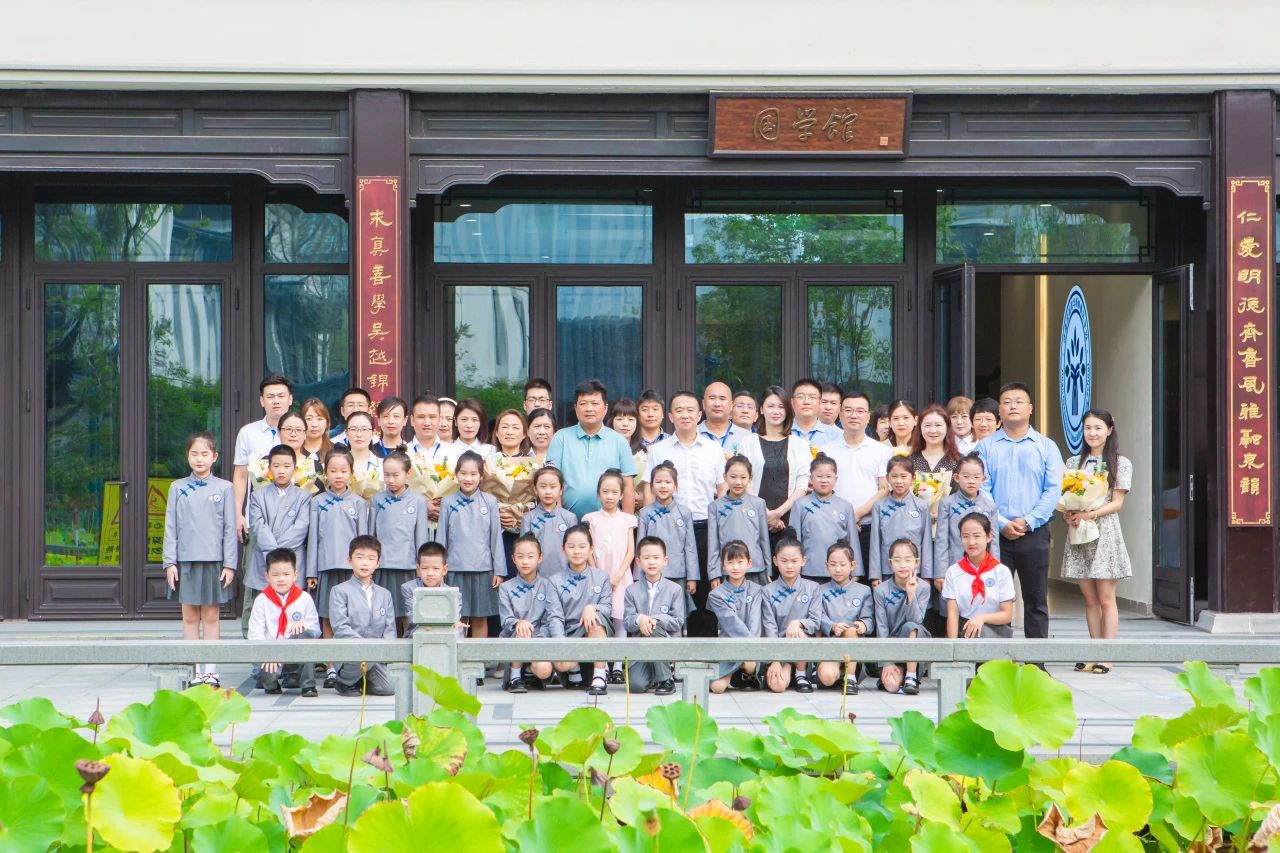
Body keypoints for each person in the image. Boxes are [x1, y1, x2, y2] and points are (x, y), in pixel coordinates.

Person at [975, 381, 1064, 640]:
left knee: (1036, 600)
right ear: (999, 410)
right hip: (995, 534)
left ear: (1030, 408)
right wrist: (1002, 522)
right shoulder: (985, 447)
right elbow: (981, 489)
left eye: (1018, 401)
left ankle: (1036, 659)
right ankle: (994, 658)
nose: (1012, 406)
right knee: (992, 599)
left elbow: (1053, 489)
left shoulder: (1046, 446)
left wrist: (1028, 521)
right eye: (1006, 402)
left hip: (1034, 532)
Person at [643, 390, 727, 637]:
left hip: (704, 527)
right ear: (670, 416)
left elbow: (722, 488)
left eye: (690, 410)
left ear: (699, 415)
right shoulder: (658, 450)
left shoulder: (713, 449)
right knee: (668, 590)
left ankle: (704, 652)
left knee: (704, 592)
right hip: (668, 527)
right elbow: (649, 488)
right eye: (679, 410)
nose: (685, 415)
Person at [163, 432, 238, 687]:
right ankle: (195, 671)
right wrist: (169, 562)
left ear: (214, 457)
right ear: (187, 456)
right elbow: (170, 526)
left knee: (211, 617)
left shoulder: (225, 487)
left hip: (214, 562)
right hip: (185, 562)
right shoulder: (177, 487)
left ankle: (211, 672)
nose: (199, 459)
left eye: (204, 454)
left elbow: (230, 528)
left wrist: (230, 564)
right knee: (189, 617)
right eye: (194, 454)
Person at [1061, 409, 1132, 674]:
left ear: (1109, 430)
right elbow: (1068, 497)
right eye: (1088, 428)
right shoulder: (1073, 463)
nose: (1092, 433)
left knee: (1106, 598)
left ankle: (1107, 656)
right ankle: (1093, 652)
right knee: (1089, 599)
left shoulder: (1120, 463)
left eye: (1098, 428)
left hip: (1105, 532)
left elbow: (1117, 503)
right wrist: (1070, 514)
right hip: (1080, 533)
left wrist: (1090, 514)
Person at [306, 447, 369, 689]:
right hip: (326, 567)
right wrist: (312, 572)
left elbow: (363, 540)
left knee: (353, 616)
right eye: (333, 471)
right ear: (326, 473)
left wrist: (363, 568)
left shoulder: (359, 503)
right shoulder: (317, 502)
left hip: (352, 570)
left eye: (343, 471)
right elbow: (313, 539)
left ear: (351, 472)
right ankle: (331, 666)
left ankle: (352, 664)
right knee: (327, 616)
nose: (338, 475)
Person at [819, 391, 892, 573]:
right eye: (848, 410)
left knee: (867, 579)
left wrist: (857, 514)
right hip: (834, 526)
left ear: (868, 417)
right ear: (840, 414)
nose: (854, 415)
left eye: (860, 411)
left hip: (869, 528)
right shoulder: (826, 451)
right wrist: (845, 517)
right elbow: (822, 489)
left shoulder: (881, 451)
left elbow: (884, 489)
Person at [244, 444, 312, 637]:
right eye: (276, 466)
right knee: (259, 611)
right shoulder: (258, 496)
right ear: (269, 469)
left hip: (293, 560)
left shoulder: (304, 497)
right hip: (263, 559)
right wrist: (274, 553)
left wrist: (280, 555)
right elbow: (258, 526)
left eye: (286, 466)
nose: (281, 471)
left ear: (295, 468)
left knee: (294, 611)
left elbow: (301, 527)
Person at [546, 379, 637, 518]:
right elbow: (552, 480)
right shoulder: (561, 438)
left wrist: (627, 524)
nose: (589, 409)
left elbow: (628, 486)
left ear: (605, 408)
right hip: (568, 522)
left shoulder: (619, 441)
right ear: (576, 408)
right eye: (583, 404)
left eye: (595, 403)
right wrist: (557, 520)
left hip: (610, 522)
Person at [440, 451, 504, 642]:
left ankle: (478, 659)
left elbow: (496, 538)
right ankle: (457, 657)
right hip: (455, 568)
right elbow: (442, 537)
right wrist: (440, 568)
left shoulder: (490, 501)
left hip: (483, 569)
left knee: (480, 618)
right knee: (457, 617)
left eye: (473, 474)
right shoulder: (448, 502)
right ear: (456, 474)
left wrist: (499, 570)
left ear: (481, 476)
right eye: (463, 473)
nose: (468, 478)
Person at [738, 385, 812, 552]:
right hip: (754, 517)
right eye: (770, 406)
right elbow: (743, 480)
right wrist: (765, 513)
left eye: (781, 407)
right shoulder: (748, 442)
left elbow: (802, 485)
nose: (776, 411)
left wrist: (777, 513)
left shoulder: (800, 444)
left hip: (789, 518)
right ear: (761, 410)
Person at [583, 468, 638, 684]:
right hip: (598, 575)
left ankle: (617, 665)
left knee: (620, 618)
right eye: (605, 491)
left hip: (621, 575)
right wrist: (599, 575)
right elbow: (589, 549)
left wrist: (618, 575)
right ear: (598, 493)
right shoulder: (591, 519)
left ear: (622, 494)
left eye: (615, 492)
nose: (610, 496)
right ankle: (603, 665)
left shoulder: (628, 519)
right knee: (601, 618)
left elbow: (631, 551)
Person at [329, 534, 397, 697]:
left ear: (378, 563)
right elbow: (340, 627)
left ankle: (359, 680)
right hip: (350, 653)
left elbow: (390, 629)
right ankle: (344, 681)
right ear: (349, 560)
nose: (365, 563)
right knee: (367, 654)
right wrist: (366, 646)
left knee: (389, 688)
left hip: (375, 655)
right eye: (359, 557)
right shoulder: (339, 591)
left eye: (371, 558)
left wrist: (384, 651)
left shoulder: (385, 594)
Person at [370, 450, 429, 635]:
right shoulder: (377, 500)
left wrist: (421, 565)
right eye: (386, 475)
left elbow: (421, 536)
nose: (390, 480)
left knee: (409, 615)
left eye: (395, 475)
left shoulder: (418, 501)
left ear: (408, 473)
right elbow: (371, 536)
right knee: (385, 614)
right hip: (383, 567)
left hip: (408, 567)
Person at [247, 548, 319, 697]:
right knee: (264, 669)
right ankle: (271, 684)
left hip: (295, 653)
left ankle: (308, 685)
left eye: (286, 574)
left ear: (295, 575)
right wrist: (268, 654)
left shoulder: (304, 598)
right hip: (270, 654)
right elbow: (255, 634)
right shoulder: (262, 600)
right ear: (267, 576)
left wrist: (304, 626)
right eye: (275, 575)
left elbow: (316, 630)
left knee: (306, 635)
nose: (281, 579)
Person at [550, 524, 613, 695]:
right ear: (563, 549)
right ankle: (574, 667)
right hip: (569, 633)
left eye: (582, 546)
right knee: (562, 664)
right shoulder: (555, 581)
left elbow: (607, 608)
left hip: (594, 632)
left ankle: (600, 676)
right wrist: (561, 642)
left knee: (596, 622)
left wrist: (592, 607)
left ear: (591, 549)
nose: (577, 551)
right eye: (571, 547)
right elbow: (555, 616)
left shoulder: (601, 577)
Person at [499, 533, 564, 692]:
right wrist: (518, 623)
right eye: (520, 557)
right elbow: (506, 620)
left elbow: (551, 617)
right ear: (513, 559)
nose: (525, 561)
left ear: (540, 558)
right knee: (523, 630)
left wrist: (539, 636)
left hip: (541, 638)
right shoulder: (505, 587)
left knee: (544, 669)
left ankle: (530, 671)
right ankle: (515, 677)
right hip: (515, 638)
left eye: (530, 556)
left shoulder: (549, 585)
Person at [622, 536, 686, 695]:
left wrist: (653, 620)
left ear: (665, 560)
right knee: (636, 686)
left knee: (654, 626)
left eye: (656, 557)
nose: (651, 562)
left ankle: (666, 680)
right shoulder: (631, 590)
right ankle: (657, 674)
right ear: (638, 561)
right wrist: (640, 619)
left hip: (666, 644)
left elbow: (677, 621)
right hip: (641, 647)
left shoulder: (675, 589)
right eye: (646, 558)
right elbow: (627, 622)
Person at [233, 374, 294, 539]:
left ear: (290, 399)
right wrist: (237, 513)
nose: (276, 401)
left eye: (281, 396)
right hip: (257, 518)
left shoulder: (300, 431)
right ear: (262, 401)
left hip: (293, 521)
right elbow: (240, 475)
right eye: (270, 396)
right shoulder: (248, 432)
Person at [761, 536, 821, 693]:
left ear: (803, 560)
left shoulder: (813, 588)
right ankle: (789, 667)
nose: (789, 566)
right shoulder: (767, 591)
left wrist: (797, 623)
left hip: (803, 649)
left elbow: (815, 621)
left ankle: (801, 674)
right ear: (775, 561)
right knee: (778, 687)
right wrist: (775, 659)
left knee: (797, 629)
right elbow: (770, 626)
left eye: (794, 561)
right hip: (779, 649)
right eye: (784, 561)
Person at [943, 513, 1016, 640]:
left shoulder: (1001, 571)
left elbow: (1007, 615)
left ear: (988, 537)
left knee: (982, 633)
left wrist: (981, 618)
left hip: (995, 631)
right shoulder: (953, 572)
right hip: (964, 631)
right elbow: (952, 614)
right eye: (965, 536)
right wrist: (953, 645)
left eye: (977, 536)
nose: (971, 542)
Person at [874, 539, 931, 694]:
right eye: (897, 560)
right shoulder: (880, 590)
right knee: (891, 686)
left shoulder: (924, 587)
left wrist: (911, 594)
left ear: (916, 562)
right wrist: (887, 662)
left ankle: (911, 675)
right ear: (890, 563)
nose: (903, 565)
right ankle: (898, 671)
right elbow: (882, 627)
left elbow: (916, 621)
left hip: (916, 640)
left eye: (908, 560)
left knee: (911, 626)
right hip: (892, 645)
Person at [815, 541, 874, 694]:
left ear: (852, 565)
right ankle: (838, 673)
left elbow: (869, 618)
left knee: (851, 631)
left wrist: (863, 624)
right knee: (827, 678)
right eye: (833, 564)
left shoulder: (864, 591)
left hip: (854, 650)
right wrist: (832, 626)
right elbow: (818, 616)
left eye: (843, 564)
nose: (838, 569)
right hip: (831, 645)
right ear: (826, 565)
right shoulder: (819, 590)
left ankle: (851, 677)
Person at [707, 541, 764, 693]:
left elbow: (755, 622)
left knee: (750, 662)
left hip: (752, 647)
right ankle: (738, 673)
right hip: (728, 647)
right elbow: (730, 623)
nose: (735, 567)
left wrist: (751, 645)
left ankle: (747, 673)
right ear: (723, 565)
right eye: (730, 562)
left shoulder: (757, 590)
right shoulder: (716, 594)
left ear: (749, 563)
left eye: (740, 562)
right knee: (717, 688)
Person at [794, 454, 861, 582]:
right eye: (819, 476)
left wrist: (856, 572)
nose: (824, 480)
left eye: (829, 476)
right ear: (811, 478)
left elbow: (853, 540)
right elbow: (795, 542)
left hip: (839, 570)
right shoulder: (800, 504)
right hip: (809, 570)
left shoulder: (845, 506)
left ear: (836, 478)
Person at [708, 455, 772, 587]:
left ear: (750, 478)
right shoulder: (715, 506)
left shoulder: (758, 503)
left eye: (743, 477)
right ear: (725, 477)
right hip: (728, 569)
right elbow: (713, 543)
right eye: (733, 477)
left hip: (755, 568)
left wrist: (768, 569)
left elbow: (764, 540)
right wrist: (714, 573)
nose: (738, 482)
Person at [636, 461, 699, 596]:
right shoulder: (645, 513)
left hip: (678, 573)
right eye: (658, 482)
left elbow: (690, 547)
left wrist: (692, 577)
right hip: (651, 574)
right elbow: (639, 546)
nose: (663, 485)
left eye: (668, 482)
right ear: (652, 485)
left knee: (678, 607)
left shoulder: (685, 513)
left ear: (676, 485)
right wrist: (638, 577)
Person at [869, 457, 935, 583]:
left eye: (904, 476)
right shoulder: (879, 506)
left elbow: (926, 542)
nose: (899, 481)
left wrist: (927, 575)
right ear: (887, 478)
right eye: (894, 476)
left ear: (913, 478)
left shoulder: (921, 506)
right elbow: (875, 542)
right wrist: (875, 575)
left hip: (915, 571)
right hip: (888, 570)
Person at [934, 454, 1001, 573]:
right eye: (966, 476)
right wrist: (940, 573)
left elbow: (994, 542)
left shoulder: (990, 506)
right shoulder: (947, 504)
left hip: (983, 567)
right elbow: (941, 541)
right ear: (956, 477)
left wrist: (996, 569)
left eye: (976, 477)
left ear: (983, 479)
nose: (971, 481)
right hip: (955, 565)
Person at [520, 467, 578, 577]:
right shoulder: (528, 518)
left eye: (553, 487)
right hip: (536, 579)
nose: (548, 491)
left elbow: (575, 550)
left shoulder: (569, 518)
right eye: (542, 486)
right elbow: (524, 552)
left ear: (561, 489)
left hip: (565, 579)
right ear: (535, 489)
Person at [401, 541, 464, 637]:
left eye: (436, 568)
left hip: (445, 638)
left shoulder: (454, 594)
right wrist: (445, 621)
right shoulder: (409, 589)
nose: (430, 573)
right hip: (417, 637)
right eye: (425, 568)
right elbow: (415, 619)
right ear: (418, 569)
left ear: (445, 569)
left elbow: (454, 621)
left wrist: (454, 623)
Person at [606, 397, 646, 508]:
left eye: (631, 419)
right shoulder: (604, 449)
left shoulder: (645, 452)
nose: (625, 424)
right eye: (619, 419)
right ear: (611, 421)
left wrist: (643, 497)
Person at [909, 403, 962, 475]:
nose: (933, 430)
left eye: (938, 425)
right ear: (920, 428)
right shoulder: (910, 461)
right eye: (927, 425)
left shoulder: (959, 461)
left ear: (947, 428)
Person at [699, 381, 748, 454]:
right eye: (712, 398)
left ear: (731, 405)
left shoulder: (747, 437)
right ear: (703, 404)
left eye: (722, 399)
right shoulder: (691, 434)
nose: (717, 404)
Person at [343, 411, 384, 499]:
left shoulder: (384, 465)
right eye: (353, 429)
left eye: (364, 429)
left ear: (373, 433)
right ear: (346, 433)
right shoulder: (337, 465)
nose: (359, 434)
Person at [790, 378, 841, 446]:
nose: (806, 402)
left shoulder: (837, 436)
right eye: (800, 397)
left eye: (812, 397)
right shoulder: (780, 431)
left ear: (819, 402)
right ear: (792, 402)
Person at [300, 398, 334, 469]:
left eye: (320, 419)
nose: (314, 424)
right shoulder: (292, 452)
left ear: (327, 423)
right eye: (309, 419)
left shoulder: (337, 450)